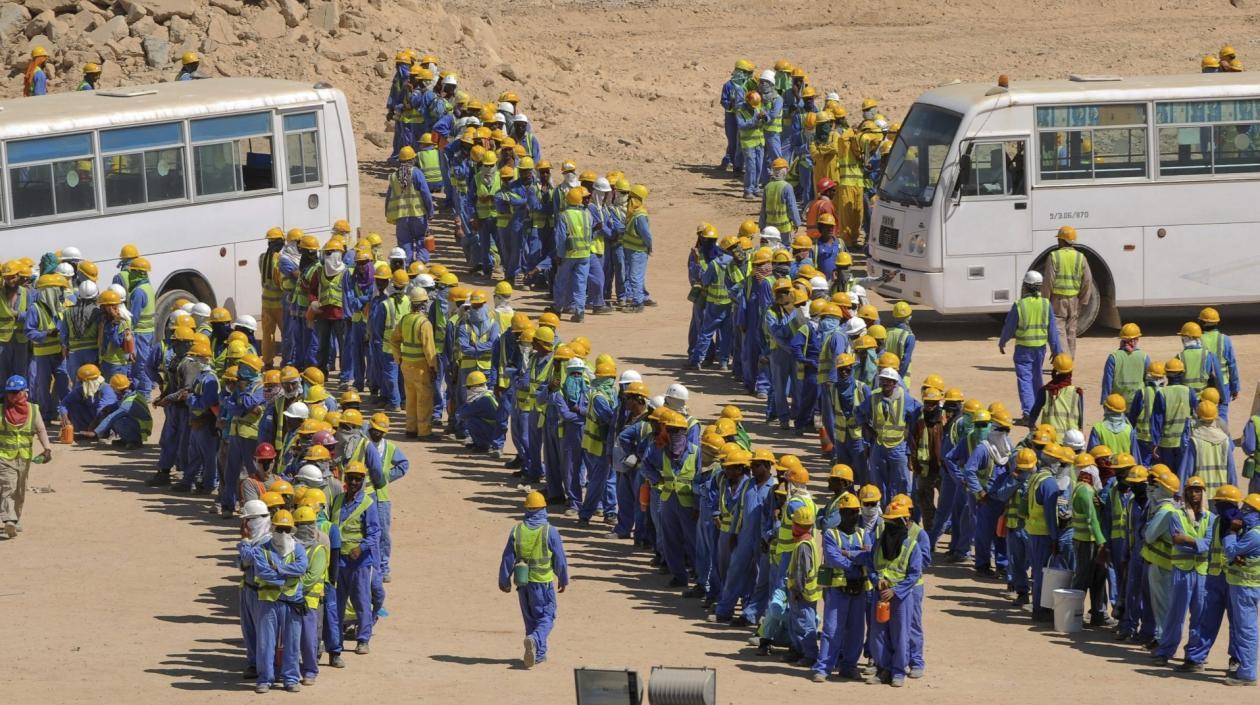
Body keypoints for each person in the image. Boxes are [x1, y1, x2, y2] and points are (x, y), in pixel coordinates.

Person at [498, 491, 569, 669]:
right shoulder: (549, 531)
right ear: (543, 509)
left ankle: (538, 654)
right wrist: (563, 578)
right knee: (547, 617)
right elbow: (559, 558)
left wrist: (504, 580)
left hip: (523, 584)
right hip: (542, 583)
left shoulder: (517, 530)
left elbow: (507, 557)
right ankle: (535, 640)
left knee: (530, 619)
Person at [243, 508, 308, 693]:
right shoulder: (262, 549)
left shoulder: (299, 549)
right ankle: (265, 679)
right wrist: (287, 572)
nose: (283, 534)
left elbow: (301, 568)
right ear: (273, 528)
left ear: (292, 531)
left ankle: (291, 678)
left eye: (287, 530)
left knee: (293, 642)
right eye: (280, 529)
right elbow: (263, 573)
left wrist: (278, 569)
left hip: (292, 601)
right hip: (268, 602)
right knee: (265, 642)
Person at [1152, 475, 1212, 666]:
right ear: (1185, 493)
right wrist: (1198, 544)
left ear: (1203, 493)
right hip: (1181, 571)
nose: (1194, 494)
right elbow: (1177, 542)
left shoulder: (1211, 518)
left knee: (1199, 616)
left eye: (1197, 490)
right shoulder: (1176, 515)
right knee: (1175, 614)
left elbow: (1209, 543)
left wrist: (1189, 540)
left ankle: (1193, 657)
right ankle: (1165, 651)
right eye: (1190, 491)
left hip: (1201, 573)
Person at [868, 499, 924, 688]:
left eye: (893, 522)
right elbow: (871, 566)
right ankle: (884, 669)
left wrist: (895, 590)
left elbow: (914, 574)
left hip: (900, 598)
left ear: (902, 523)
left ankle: (898, 671)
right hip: (880, 594)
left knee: (900, 634)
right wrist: (876, 581)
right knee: (878, 634)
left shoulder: (912, 546)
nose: (889, 526)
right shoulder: (879, 543)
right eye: (887, 522)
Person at [330, 461, 380, 655]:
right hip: (339, 560)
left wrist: (361, 548)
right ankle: (337, 640)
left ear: (362, 481)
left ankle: (363, 639)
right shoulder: (338, 500)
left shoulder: (368, 503)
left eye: (357, 479)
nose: (353, 482)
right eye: (350, 478)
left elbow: (375, 533)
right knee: (338, 603)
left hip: (359, 562)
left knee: (361, 601)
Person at [998, 270, 1061, 420]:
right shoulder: (1046, 304)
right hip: (1040, 348)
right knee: (1037, 377)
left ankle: (1028, 413)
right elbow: (1052, 329)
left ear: (1025, 286)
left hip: (1023, 349)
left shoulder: (1019, 305)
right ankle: (1039, 408)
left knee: (1025, 379)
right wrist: (1056, 350)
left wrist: (1003, 342)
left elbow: (1009, 326)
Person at [0, 376, 52, 538]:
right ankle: (9, 519)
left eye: (17, 392)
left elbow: (41, 430)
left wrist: (47, 449)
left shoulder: (33, 410)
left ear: (25, 393)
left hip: (24, 458)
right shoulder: (1, 410)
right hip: (4, 457)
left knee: (20, 490)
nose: (13, 396)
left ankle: (16, 519)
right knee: (8, 487)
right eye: (10, 393)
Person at [858, 368, 922, 499]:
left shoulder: (906, 399)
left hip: (898, 448)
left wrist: (910, 449)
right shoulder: (873, 398)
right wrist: (869, 430)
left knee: (902, 483)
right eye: (882, 380)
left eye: (888, 381)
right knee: (878, 483)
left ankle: (902, 511)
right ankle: (884, 512)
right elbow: (859, 412)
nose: (885, 383)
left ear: (895, 383)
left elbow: (917, 416)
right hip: (879, 446)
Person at [1070, 454, 1114, 627]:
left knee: (1097, 579)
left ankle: (1098, 614)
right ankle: (1074, 615)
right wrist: (1102, 542)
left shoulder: (1082, 488)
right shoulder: (1085, 491)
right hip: (1087, 542)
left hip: (1087, 541)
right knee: (1083, 579)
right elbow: (1092, 519)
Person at [1222, 492, 1260, 686]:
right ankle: (1246, 670)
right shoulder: (1252, 531)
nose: (1243, 513)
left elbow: (1230, 551)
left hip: (1245, 587)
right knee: (1244, 629)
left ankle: (1247, 674)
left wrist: (1230, 533)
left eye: (1248, 509)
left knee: (1246, 630)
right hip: (1246, 587)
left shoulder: (1254, 534)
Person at [1143, 467, 1181, 644]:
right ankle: (1161, 637)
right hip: (1164, 563)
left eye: (1157, 486)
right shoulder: (1171, 507)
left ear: (1165, 489)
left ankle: (1162, 639)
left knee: (1162, 604)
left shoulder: (1165, 511)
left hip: (1161, 563)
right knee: (1163, 603)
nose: (1153, 489)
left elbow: (1149, 535)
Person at [1041, 225, 1091, 357]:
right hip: (1074, 300)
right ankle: (1070, 363)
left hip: (1058, 300)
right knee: (1071, 332)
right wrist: (1083, 300)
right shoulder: (1081, 257)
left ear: (1062, 241)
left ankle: (1064, 362)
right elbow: (1087, 280)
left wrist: (1045, 300)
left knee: (1059, 331)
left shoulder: (1054, 256)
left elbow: (1048, 281)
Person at [293, 505, 330, 685]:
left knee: (309, 639)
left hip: (309, 601)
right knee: (290, 639)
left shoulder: (318, 549)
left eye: (306, 524)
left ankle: (310, 670)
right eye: (299, 524)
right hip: (290, 599)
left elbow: (311, 578)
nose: (303, 529)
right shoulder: (290, 547)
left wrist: (289, 580)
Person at [386, 146, 435, 265]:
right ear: (413, 159)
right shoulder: (416, 173)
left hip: (401, 217)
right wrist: (430, 211)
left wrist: (388, 214)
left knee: (404, 243)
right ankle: (420, 265)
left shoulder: (393, 177)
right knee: (421, 240)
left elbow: (388, 198)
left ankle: (406, 267)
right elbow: (425, 193)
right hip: (418, 215)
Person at [786, 504, 821, 668]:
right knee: (800, 623)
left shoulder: (803, 546)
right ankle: (800, 651)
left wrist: (797, 590)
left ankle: (810, 655)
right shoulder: (808, 541)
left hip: (803, 594)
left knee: (805, 625)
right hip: (807, 593)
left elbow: (802, 571)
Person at [555, 187, 594, 322]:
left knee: (561, 282)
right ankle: (579, 312)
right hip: (585, 254)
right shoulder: (587, 214)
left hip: (568, 254)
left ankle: (557, 308)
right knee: (581, 284)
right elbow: (590, 235)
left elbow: (561, 238)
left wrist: (559, 255)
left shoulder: (564, 215)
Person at [1198, 307, 1241, 422]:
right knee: (1222, 413)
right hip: (1224, 383)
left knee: (1203, 413)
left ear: (1202, 322)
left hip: (1204, 383)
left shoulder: (1198, 339)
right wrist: (1235, 387)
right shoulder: (1225, 339)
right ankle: (1223, 437)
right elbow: (1232, 365)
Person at [90, 374, 151, 449]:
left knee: (117, 420)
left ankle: (135, 441)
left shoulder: (129, 402)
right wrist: (101, 414)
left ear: (116, 389)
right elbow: (113, 407)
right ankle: (125, 439)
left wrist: (95, 432)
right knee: (108, 410)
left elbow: (112, 417)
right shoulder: (129, 394)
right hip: (136, 422)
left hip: (143, 427)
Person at [1030, 353, 1083, 439]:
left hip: (1050, 440)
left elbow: (1034, 414)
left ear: (1055, 370)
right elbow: (1081, 419)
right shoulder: (1077, 392)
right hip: (1071, 441)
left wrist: (1032, 428)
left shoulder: (1046, 391)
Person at [621, 185, 653, 312]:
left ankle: (638, 303)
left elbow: (646, 235)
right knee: (635, 276)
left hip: (637, 251)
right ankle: (639, 298)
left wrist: (649, 247)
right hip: (632, 250)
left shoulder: (639, 215)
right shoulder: (633, 212)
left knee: (635, 277)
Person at [721, 60, 753, 170]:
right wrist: (731, 104)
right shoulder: (728, 85)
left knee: (741, 139)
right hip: (731, 116)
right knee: (732, 139)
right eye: (744, 72)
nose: (746, 75)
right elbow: (723, 100)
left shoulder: (747, 85)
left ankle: (738, 163)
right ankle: (728, 160)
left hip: (742, 116)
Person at [736, 92, 767, 200]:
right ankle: (748, 190)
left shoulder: (757, 108)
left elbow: (763, 123)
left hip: (759, 142)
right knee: (751, 167)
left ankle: (755, 188)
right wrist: (755, 120)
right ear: (747, 102)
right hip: (748, 143)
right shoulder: (741, 112)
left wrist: (764, 118)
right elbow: (742, 126)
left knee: (759, 166)